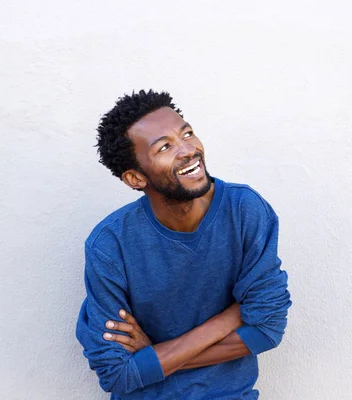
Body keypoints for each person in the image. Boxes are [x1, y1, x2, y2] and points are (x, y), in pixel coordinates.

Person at [76, 90, 291, 399]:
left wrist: (154, 354)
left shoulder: (244, 211)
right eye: (165, 146)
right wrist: (231, 318)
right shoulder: (109, 245)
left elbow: (267, 329)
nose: (188, 150)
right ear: (136, 178)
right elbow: (117, 373)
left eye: (187, 133)